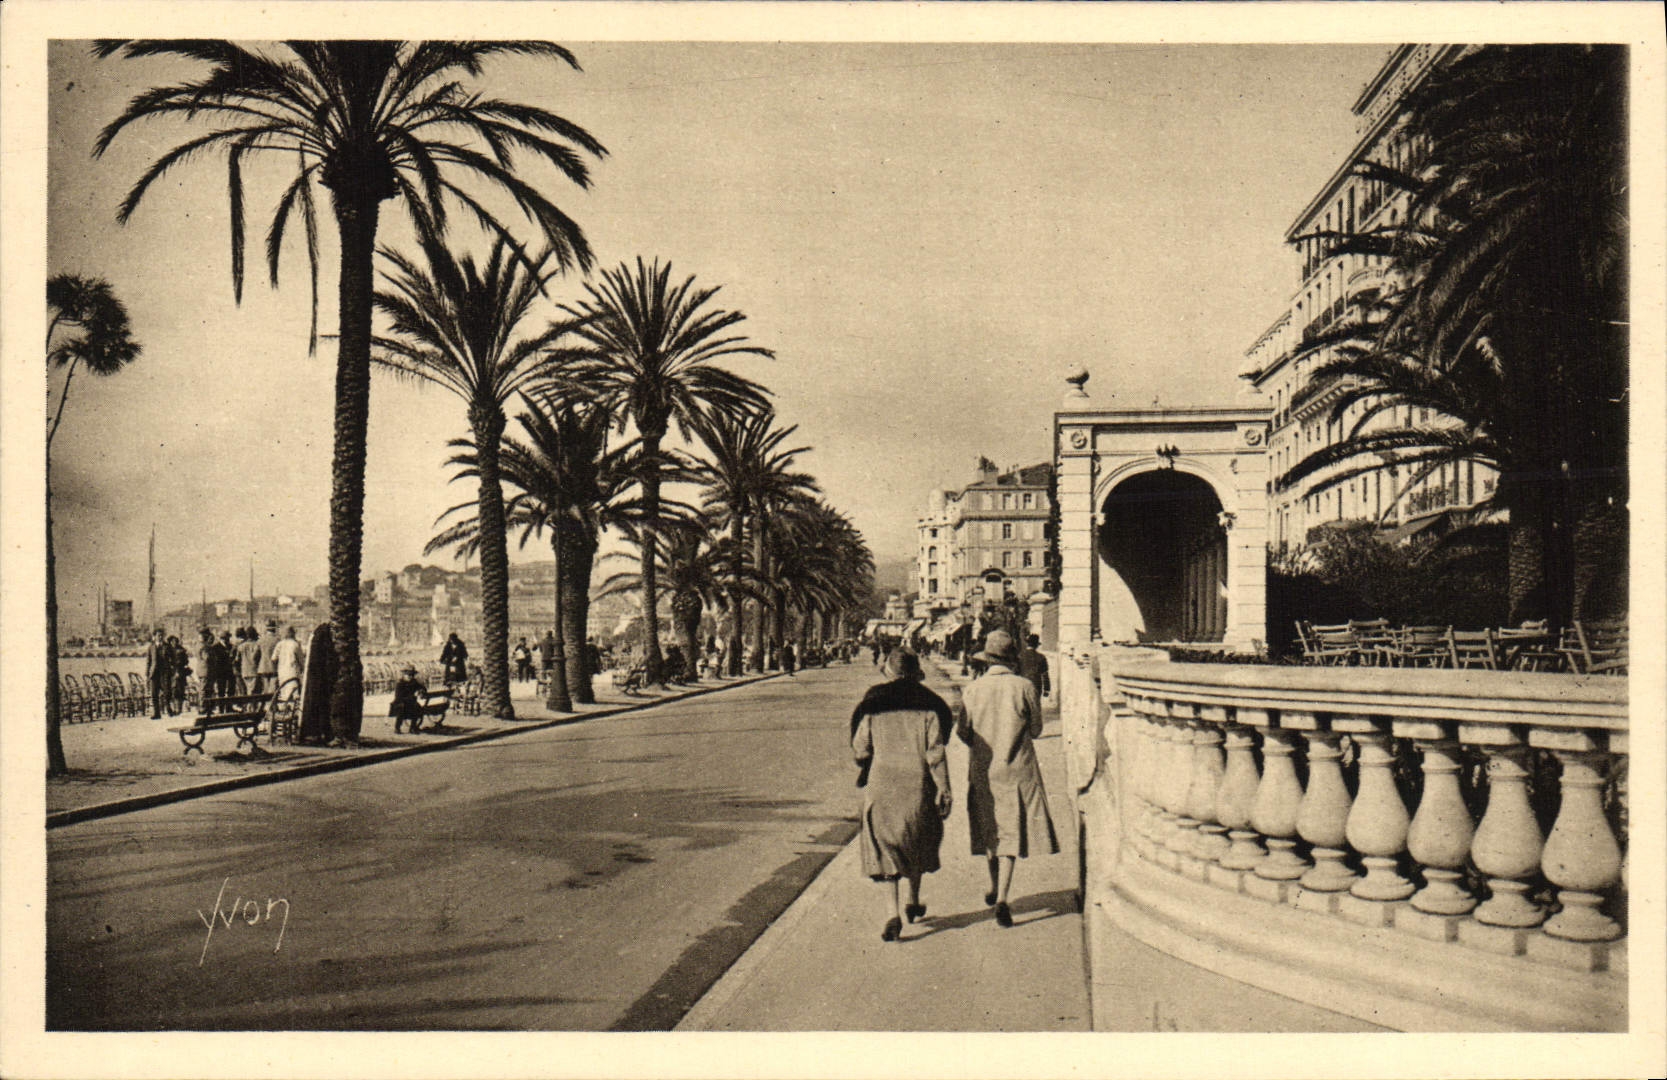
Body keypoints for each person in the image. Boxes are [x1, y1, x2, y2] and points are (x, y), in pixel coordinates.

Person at [957, 629, 1058, 928]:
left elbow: (963, 731)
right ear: (1012, 658)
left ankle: (992, 884)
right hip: (1017, 768)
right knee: (1012, 830)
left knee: (990, 827)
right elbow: (1036, 729)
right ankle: (1002, 896)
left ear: (987, 659)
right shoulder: (1024, 686)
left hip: (984, 769)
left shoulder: (973, 690)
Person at [851, 649, 953, 942]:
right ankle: (914, 899)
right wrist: (945, 788)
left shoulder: (872, 705)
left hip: (882, 785)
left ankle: (892, 913)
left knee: (886, 849)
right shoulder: (930, 706)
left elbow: (860, 750)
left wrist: (870, 759)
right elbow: (936, 754)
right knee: (916, 840)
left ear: (890, 672)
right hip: (918, 785)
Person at [389, 665, 427, 734]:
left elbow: (423, 687)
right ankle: (397, 727)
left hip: (410, 703)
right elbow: (399, 697)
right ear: (404, 675)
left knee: (417, 707)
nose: (410, 676)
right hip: (399, 703)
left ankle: (412, 727)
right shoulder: (400, 684)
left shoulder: (414, 682)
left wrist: (420, 691)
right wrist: (413, 696)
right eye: (408, 675)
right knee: (401, 708)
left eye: (412, 675)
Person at [144, 627, 169, 719]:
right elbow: (148, 661)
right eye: (158, 635)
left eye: (162, 635)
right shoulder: (151, 647)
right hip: (154, 673)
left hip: (164, 673)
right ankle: (157, 713)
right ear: (154, 636)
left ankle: (168, 709)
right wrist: (147, 673)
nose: (160, 637)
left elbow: (172, 658)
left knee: (167, 692)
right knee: (154, 694)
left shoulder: (167, 646)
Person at [273, 625, 305, 692]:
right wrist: (302, 669)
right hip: (293, 672)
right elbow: (301, 660)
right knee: (294, 692)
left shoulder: (279, 644)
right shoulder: (295, 644)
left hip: (282, 672)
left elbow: (274, 658)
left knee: (284, 692)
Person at [1019, 634, 1051, 700]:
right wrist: (1046, 689)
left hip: (1022, 685)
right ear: (1036, 645)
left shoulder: (1020, 656)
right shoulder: (1041, 657)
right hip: (1036, 686)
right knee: (1035, 704)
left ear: (1027, 644)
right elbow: (1045, 674)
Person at [165, 635, 189, 715]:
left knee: (180, 691)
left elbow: (186, 661)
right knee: (173, 691)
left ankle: (179, 709)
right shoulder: (168, 650)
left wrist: (180, 665)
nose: (174, 643)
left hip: (180, 673)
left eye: (175, 641)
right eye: (172, 641)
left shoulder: (181, 650)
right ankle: (174, 708)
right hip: (170, 674)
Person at [256, 620, 280, 695]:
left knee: (265, 689)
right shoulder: (278, 640)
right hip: (274, 667)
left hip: (263, 667)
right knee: (273, 689)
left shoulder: (260, 640)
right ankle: (272, 701)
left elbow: (256, 654)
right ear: (274, 629)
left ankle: (266, 701)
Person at [237, 626, 262, 695]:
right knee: (253, 691)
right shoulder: (257, 645)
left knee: (248, 689)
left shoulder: (241, 646)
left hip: (244, 670)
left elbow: (237, 659)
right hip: (254, 670)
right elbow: (256, 657)